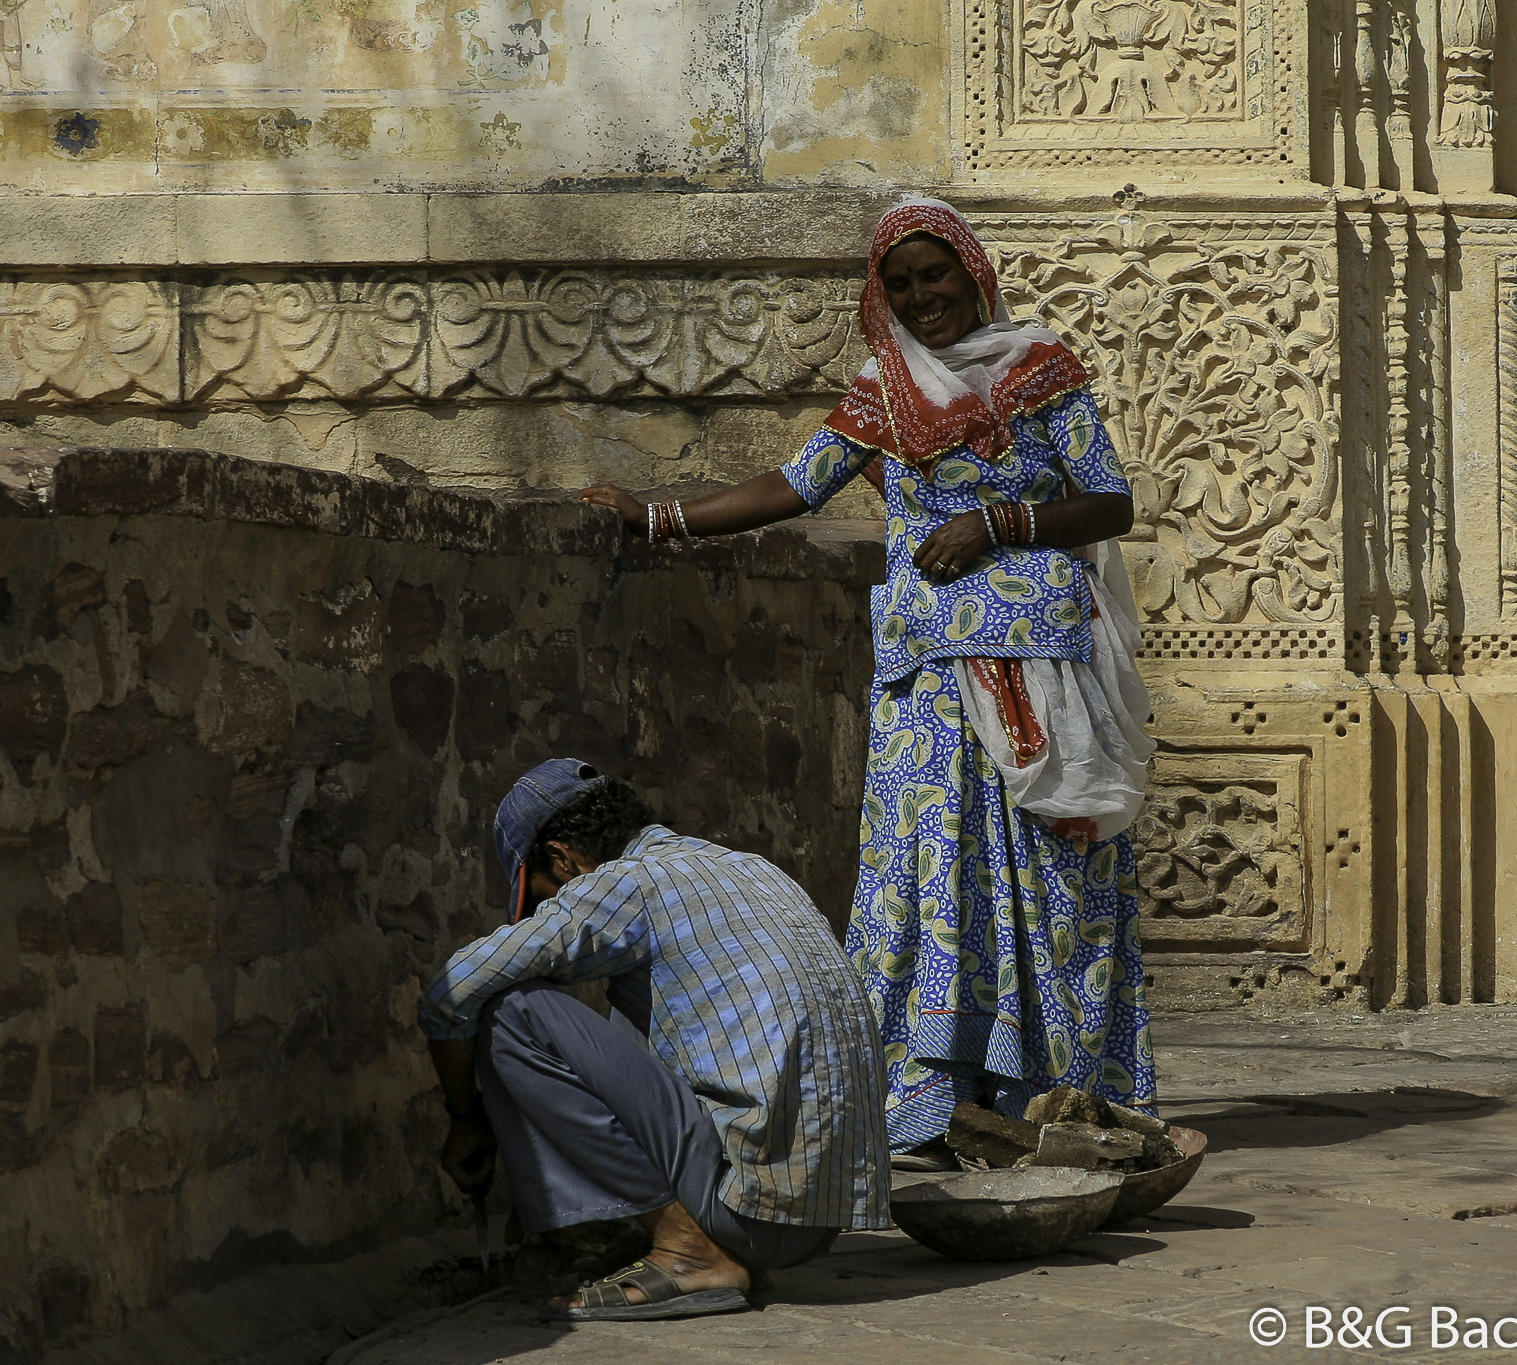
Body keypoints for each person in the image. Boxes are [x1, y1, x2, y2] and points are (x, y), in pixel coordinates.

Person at [578, 196, 1157, 1166]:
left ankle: (1054, 1096)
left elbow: (1108, 502)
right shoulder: (883, 391)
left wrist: (997, 525)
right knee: (927, 879)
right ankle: (927, 1107)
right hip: (926, 680)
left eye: (936, 274)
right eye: (901, 282)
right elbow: (794, 483)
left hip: (1037, 675)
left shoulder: (1036, 369)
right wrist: (658, 521)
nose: (923, 295)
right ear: (879, 296)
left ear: (973, 272)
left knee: (1048, 882)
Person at [417, 759, 889, 1321]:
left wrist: (467, 1117)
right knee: (629, 1008)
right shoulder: (750, 869)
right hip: (819, 1217)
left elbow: (450, 992)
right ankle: (683, 1239)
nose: (550, 911)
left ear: (564, 857)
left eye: (545, 897)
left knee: (514, 1009)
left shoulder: (626, 884)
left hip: (750, 1215)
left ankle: (687, 1252)